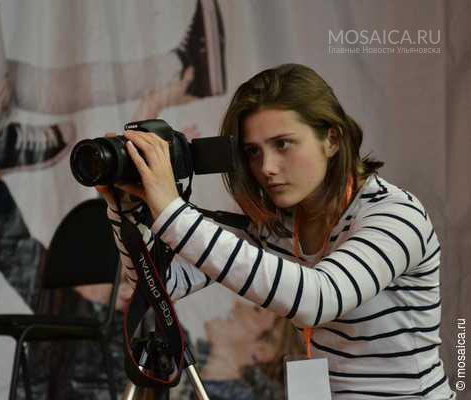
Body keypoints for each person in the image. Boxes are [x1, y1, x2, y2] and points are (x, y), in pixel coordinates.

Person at [98, 63, 455, 399]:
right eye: (253, 152)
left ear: (332, 139)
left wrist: (172, 212)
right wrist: (126, 210)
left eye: (283, 144)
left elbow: (317, 299)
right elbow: (162, 283)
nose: (266, 167)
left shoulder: (395, 215)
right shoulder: (279, 224)